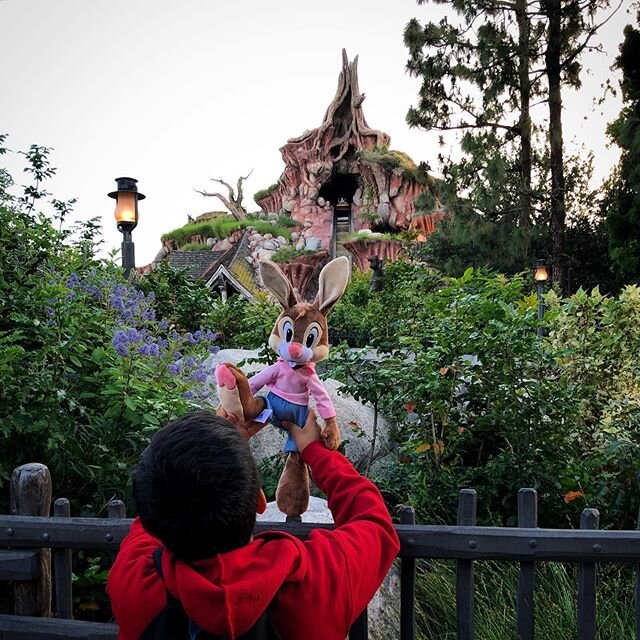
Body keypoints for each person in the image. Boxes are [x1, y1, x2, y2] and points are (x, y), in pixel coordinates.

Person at [107, 408, 400, 640]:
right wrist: (314, 450)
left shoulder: (135, 586)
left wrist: (211, 444)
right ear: (261, 501)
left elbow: (153, 512)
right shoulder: (316, 585)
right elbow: (373, 519)